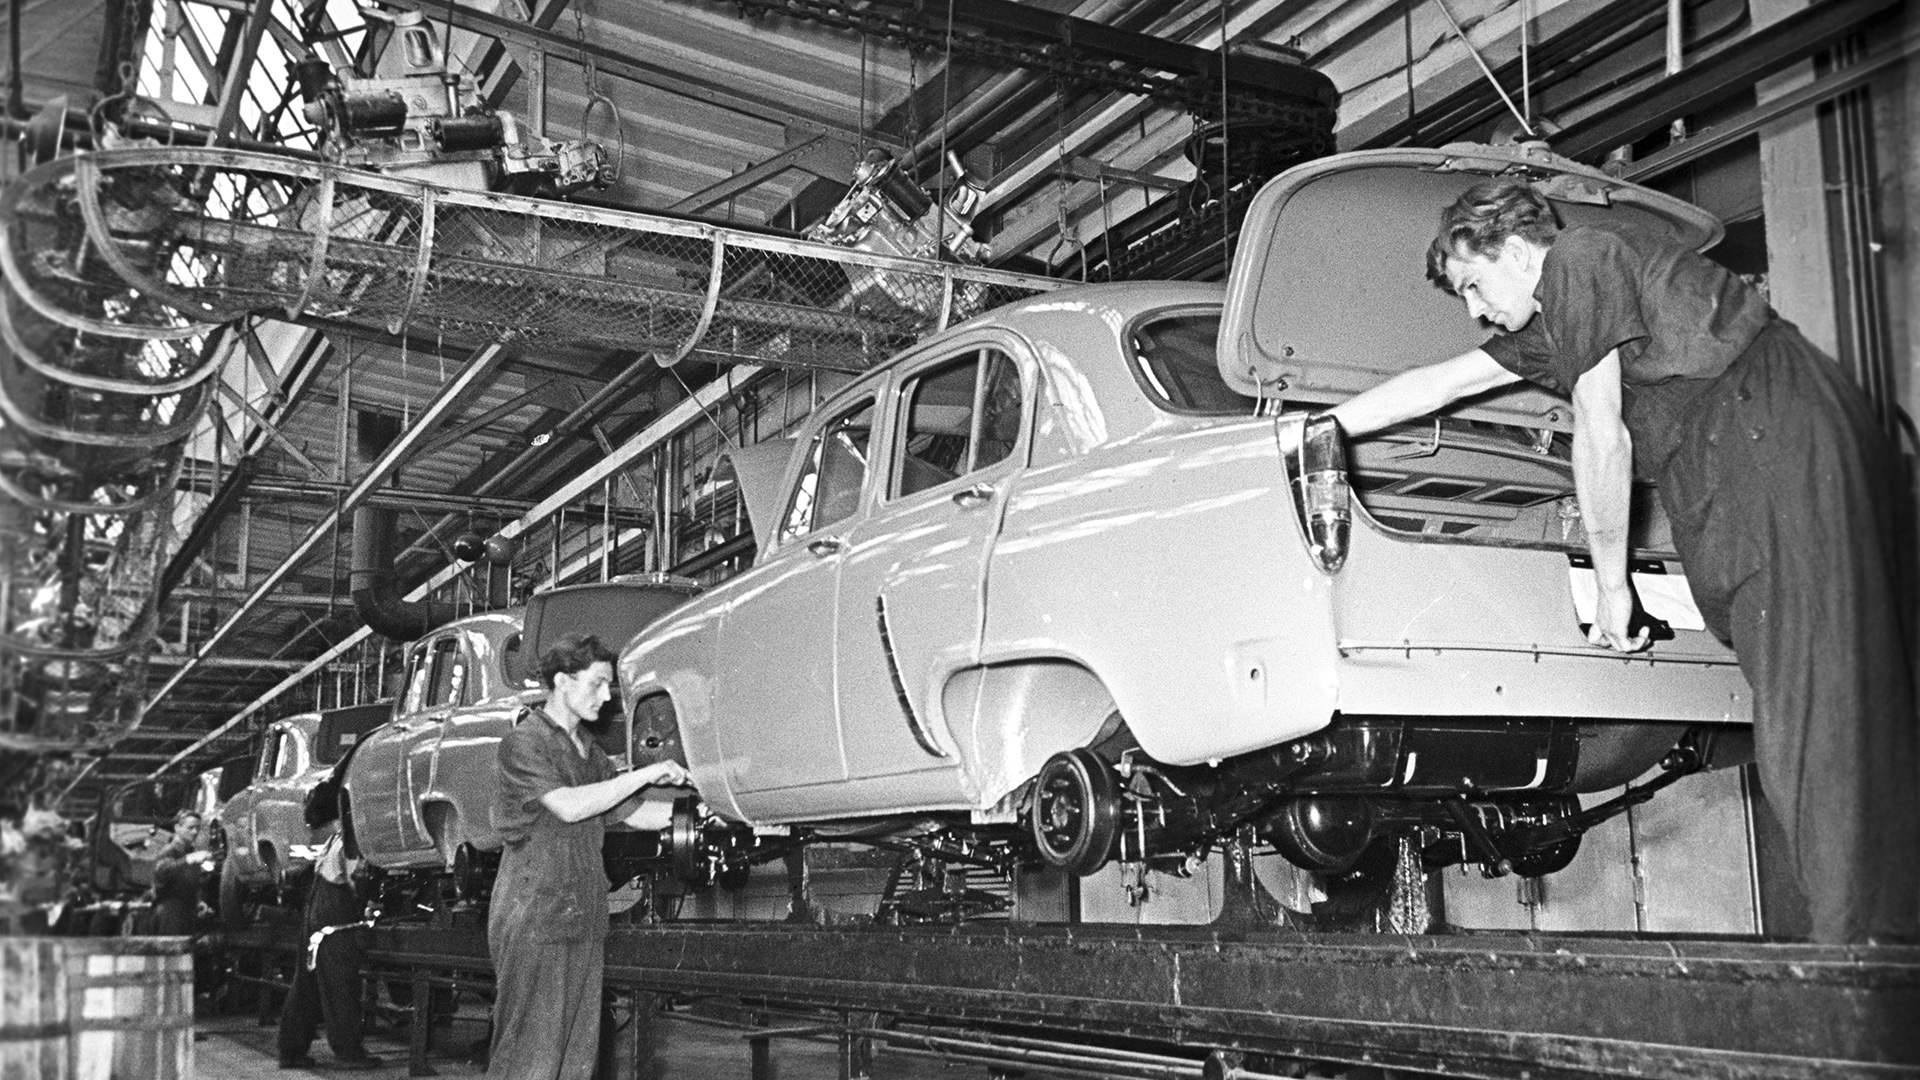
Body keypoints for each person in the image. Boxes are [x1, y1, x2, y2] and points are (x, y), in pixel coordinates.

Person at [1326, 178, 1917, 945]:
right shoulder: (1567, 314)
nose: (1473, 309)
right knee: (1844, 694)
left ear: (1515, 250)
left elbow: (1602, 432)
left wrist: (1614, 587)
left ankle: (1859, 946)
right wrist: (1313, 431)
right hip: (1773, 446)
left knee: (1809, 711)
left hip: (1765, 444)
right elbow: (1441, 384)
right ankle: (1884, 927)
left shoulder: (1578, 260)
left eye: (1472, 284)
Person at [486, 634, 688, 1079]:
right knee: (530, 1057)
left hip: (582, 914)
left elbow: (633, 813)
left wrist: (708, 812)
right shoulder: (525, 743)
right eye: (597, 683)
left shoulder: (589, 753)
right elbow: (570, 806)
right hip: (535, 914)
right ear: (562, 681)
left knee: (577, 1059)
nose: (607, 697)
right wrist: (646, 773)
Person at [277, 767, 379, 1071]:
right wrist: (373, 902)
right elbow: (356, 882)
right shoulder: (349, 840)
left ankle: (290, 1051)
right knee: (340, 987)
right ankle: (349, 1051)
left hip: (315, 918)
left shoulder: (334, 839)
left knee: (306, 986)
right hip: (335, 924)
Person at [150, 810, 210, 935]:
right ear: (177, 828)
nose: (195, 832)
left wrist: (198, 902)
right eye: (190, 827)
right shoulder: (169, 851)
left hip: (187, 913)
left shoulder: (190, 852)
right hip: (170, 914)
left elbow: (189, 882)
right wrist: (187, 860)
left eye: (197, 828)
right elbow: (162, 873)